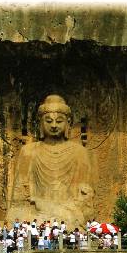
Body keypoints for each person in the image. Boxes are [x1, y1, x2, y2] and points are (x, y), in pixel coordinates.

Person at [7, 95, 96, 230]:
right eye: (48, 121)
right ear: (40, 123)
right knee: (19, 218)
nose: (54, 125)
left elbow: (85, 196)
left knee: (75, 220)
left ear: (68, 122)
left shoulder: (79, 152)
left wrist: (68, 209)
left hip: (69, 213)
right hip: (37, 212)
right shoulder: (28, 151)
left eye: (59, 121)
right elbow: (19, 198)